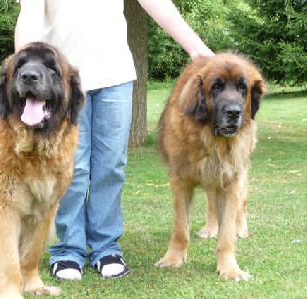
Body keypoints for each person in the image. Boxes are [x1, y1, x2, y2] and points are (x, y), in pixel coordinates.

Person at [15, 0, 214, 281]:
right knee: (73, 169)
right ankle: (68, 250)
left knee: (111, 166)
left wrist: (196, 48)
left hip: (116, 75)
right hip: (62, 80)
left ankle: (106, 247)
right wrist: (25, 66)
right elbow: (30, 15)